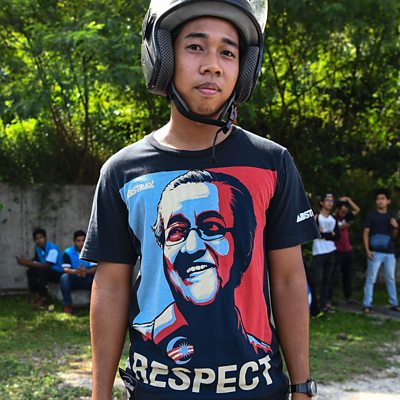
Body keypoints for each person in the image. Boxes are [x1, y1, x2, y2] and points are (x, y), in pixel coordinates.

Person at [81, 1, 320, 399]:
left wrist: (302, 387)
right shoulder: (123, 171)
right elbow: (110, 287)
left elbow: (288, 279)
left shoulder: (272, 164)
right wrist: (99, 394)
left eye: (228, 52)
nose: (212, 65)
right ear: (162, 58)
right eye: (195, 47)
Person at [362, 189, 400, 314]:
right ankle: (367, 304)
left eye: (383, 199)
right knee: (371, 278)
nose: (380, 201)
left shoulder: (391, 216)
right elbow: (366, 233)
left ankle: (394, 303)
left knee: (390, 278)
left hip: (389, 252)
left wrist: (395, 227)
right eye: (378, 199)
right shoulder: (371, 216)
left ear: (388, 201)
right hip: (375, 252)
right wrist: (367, 250)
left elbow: (394, 236)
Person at [16, 228, 63, 307]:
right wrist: (24, 262)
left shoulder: (52, 248)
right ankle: (35, 294)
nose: (39, 240)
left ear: (45, 238)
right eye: (37, 239)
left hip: (58, 273)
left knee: (42, 270)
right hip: (46, 271)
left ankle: (43, 297)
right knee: (31, 271)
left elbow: (47, 265)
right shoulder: (38, 248)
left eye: (41, 238)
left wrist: (26, 262)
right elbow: (35, 262)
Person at [309, 193, 340, 315]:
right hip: (318, 252)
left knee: (328, 280)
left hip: (331, 251)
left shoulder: (333, 219)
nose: (330, 203)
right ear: (322, 202)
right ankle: (313, 305)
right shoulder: (317, 217)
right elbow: (315, 233)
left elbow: (337, 236)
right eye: (327, 200)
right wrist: (329, 234)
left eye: (332, 201)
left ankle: (324, 305)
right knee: (316, 279)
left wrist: (324, 234)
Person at [328, 196, 360, 305]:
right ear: (338, 210)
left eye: (345, 212)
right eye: (342, 212)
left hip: (348, 250)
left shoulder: (346, 217)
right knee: (334, 276)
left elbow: (357, 210)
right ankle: (328, 298)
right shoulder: (332, 219)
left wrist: (348, 199)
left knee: (348, 276)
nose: (343, 214)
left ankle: (348, 297)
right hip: (337, 251)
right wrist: (340, 227)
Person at [60, 230, 97, 314]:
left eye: (83, 240)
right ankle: (68, 305)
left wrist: (85, 271)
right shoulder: (68, 252)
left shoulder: (90, 251)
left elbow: (95, 268)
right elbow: (65, 269)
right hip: (74, 278)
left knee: (97, 277)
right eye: (78, 241)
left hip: (87, 278)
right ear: (74, 241)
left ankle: (94, 306)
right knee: (64, 278)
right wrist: (76, 272)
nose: (81, 243)